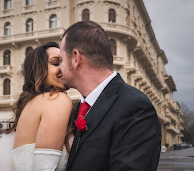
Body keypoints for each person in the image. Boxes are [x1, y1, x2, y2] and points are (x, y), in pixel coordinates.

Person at [58, 21, 161, 171]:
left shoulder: (135, 107)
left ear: (75, 58)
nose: (59, 69)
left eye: (60, 60)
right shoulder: (76, 109)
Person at [0, 42, 74, 171]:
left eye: (64, 62)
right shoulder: (57, 100)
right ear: (39, 70)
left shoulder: (34, 102)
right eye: (55, 63)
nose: (64, 68)